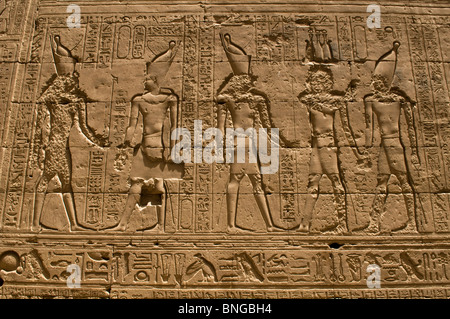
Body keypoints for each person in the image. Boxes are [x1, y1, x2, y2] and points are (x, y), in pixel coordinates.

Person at [30, 35, 106, 232]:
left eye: (74, 76)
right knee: (51, 181)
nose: (75, 79)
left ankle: (65, 224)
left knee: (59, 183)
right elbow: (44, 127)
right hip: (55, 146)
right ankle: (37, 223)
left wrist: (97, 141)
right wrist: (41, 149)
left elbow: (83, 129)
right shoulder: (56, 101)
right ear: (63, 80)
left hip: (59, 147)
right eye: (71, 77)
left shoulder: (75, 101)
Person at [216, 33, 286, 233]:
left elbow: (266, 125)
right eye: (244, 80)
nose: (250, 82)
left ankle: (269, 225)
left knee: (255, 181)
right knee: (237, 180)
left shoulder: (257, 100)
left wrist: (279, 141)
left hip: (251, 143)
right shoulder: (229, 99)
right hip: (238, 142)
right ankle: (231, 225)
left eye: (247, 79)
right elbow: (220, 125)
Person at [110, 41, 181, 232]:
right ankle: (136, 224)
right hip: (148, 146)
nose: (144, 82)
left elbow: (174, 126)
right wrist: (125, 145)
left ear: (156, 80)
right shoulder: (141, 100)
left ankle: (154, 225)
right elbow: (132, 126)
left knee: (150, 184)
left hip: (156, 146)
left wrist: (173, 148)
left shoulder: (167, 100)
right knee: (147, 184)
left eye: (148, 78)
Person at [297, 65, 363, 235]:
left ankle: (342, 223)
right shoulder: (316, 100)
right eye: (316, 80)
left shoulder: (335, 103)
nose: (319, 83)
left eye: (323, 80)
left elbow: (346, 128)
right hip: (315, 146)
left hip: (328, 145)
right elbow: (303, 97)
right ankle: (305, 224)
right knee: (313, 183)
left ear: (328, 83)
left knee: (335, 181)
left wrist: (357, 152)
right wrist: (341, 98)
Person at [362, 41, 420, 234]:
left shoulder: (399, 100)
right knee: (381, 183)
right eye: (374, 80)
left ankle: (412, 223)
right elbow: (370, 129)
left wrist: (415, 153)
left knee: (403, 181)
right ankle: (374, 223)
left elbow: (410, 128)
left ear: (386, 82)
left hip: (395, 145)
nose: (374, 84)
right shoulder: (370, 100)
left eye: (378, 80)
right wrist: (365, 153)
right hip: (383, 147)